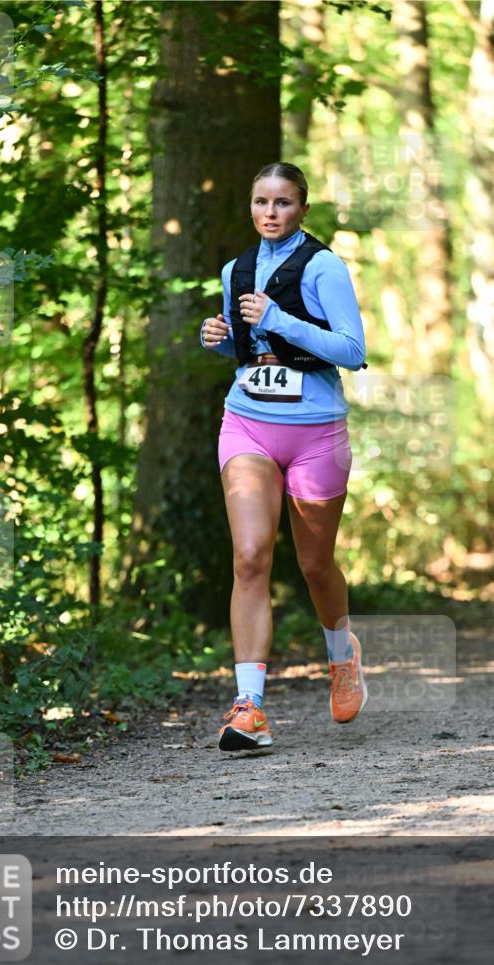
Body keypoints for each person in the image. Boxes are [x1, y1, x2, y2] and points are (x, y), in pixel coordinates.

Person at [200, 162, 368, 752]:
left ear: (303, 209)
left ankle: (341, 653)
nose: (270, 213)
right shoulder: (235, 269)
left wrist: (279, 320)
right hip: (247, 423)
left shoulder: (325, 267)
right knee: (249, 556)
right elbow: (249, 352)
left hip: (315, 431)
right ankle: (249, 707)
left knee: (315, 564)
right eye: (261, 202)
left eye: (284, 203)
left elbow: (352, 351)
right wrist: (221, 340)